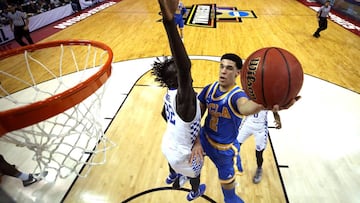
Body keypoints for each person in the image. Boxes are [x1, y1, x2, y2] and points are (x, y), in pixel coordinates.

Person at [197, 53, 299, 202]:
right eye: (222, 66)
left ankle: (240, 161)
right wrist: (196, 142)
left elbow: (245, 107)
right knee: (181, 151)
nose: (223, 71)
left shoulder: (238, 96)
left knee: (230, 197)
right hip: (205, 138)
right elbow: (195, 118)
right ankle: (183, 177)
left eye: (229, 68)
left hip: (224, 151)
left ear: (238, 73)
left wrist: (268, 104)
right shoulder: (209, 89)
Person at [152, 0, 206, 201]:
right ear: (178, 79)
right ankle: (194, 191)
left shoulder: (170, 93)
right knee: (197, 170)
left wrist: (181, 128)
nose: (180, 64)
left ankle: (173, 175)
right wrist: (169, 24)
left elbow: (164, 113)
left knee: (173, 162)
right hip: (184, 155)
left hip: (168, 145)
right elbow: (185, 67)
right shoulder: (185, 97)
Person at [237, 110, 281, 184]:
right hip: (248, 124)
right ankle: (232, 164)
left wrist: (277, 119)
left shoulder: (267, 99)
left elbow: (274, 110)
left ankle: (259, 168)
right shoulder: (248, 97)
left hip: (260, 128)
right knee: (235, 145)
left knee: (259, 152)